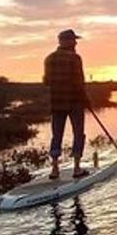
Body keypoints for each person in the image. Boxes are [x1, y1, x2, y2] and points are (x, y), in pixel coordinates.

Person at [44, 28, 90, 179]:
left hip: (56, 104)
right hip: (75, 102)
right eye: (73, 40)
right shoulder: (75, 58)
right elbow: (79, 82)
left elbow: (46, 81)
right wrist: (86, 100)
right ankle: (77, 169)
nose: (76, 43)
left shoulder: (49, 58)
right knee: (78, 133)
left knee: (56, 135)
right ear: (66, 41)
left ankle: (55, 170)